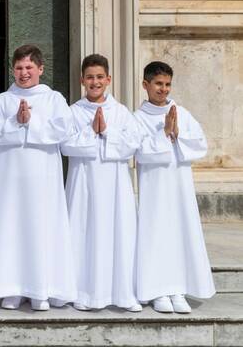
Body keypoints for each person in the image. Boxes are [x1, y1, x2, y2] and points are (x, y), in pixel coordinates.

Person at [0, 44, 76, 311]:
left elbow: (64, 131)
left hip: (44, 179)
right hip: (13, 180)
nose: (24, 73)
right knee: (13, 227)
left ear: (40, 69)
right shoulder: (2, 101)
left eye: (29, 68)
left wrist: (30, 123)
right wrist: (15, 122)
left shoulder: (54, 99)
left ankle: (42, 289)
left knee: (42, 228)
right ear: (13, 70)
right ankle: (12, 288)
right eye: (19, 68)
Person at [61, 54, 142, 312]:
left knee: (118, 232)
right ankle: (84, 292)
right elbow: (64, 145)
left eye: (99, 77)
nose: (94, 82)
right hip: (83, 183)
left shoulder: (121, 112)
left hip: (115, 185)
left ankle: (122, 293)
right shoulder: (72, 112)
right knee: (84, 232)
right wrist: (90, 132)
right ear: (82, 80)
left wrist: (106, 131)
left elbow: (132, 145)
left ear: (108, 79)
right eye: (89, 77)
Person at [135, 61, 215, 313]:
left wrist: (177, 133)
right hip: (154, 185)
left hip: (179, 184)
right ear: (145, 85)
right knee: (156, 232)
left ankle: (178, 287)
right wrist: (163, 134)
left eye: (168, 84)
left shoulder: (182, 112)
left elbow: (200, 144)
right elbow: (138, 152)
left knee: (179, 231)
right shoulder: (137, 118)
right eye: (158, 84)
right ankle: (158, 290)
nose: (164, 89)